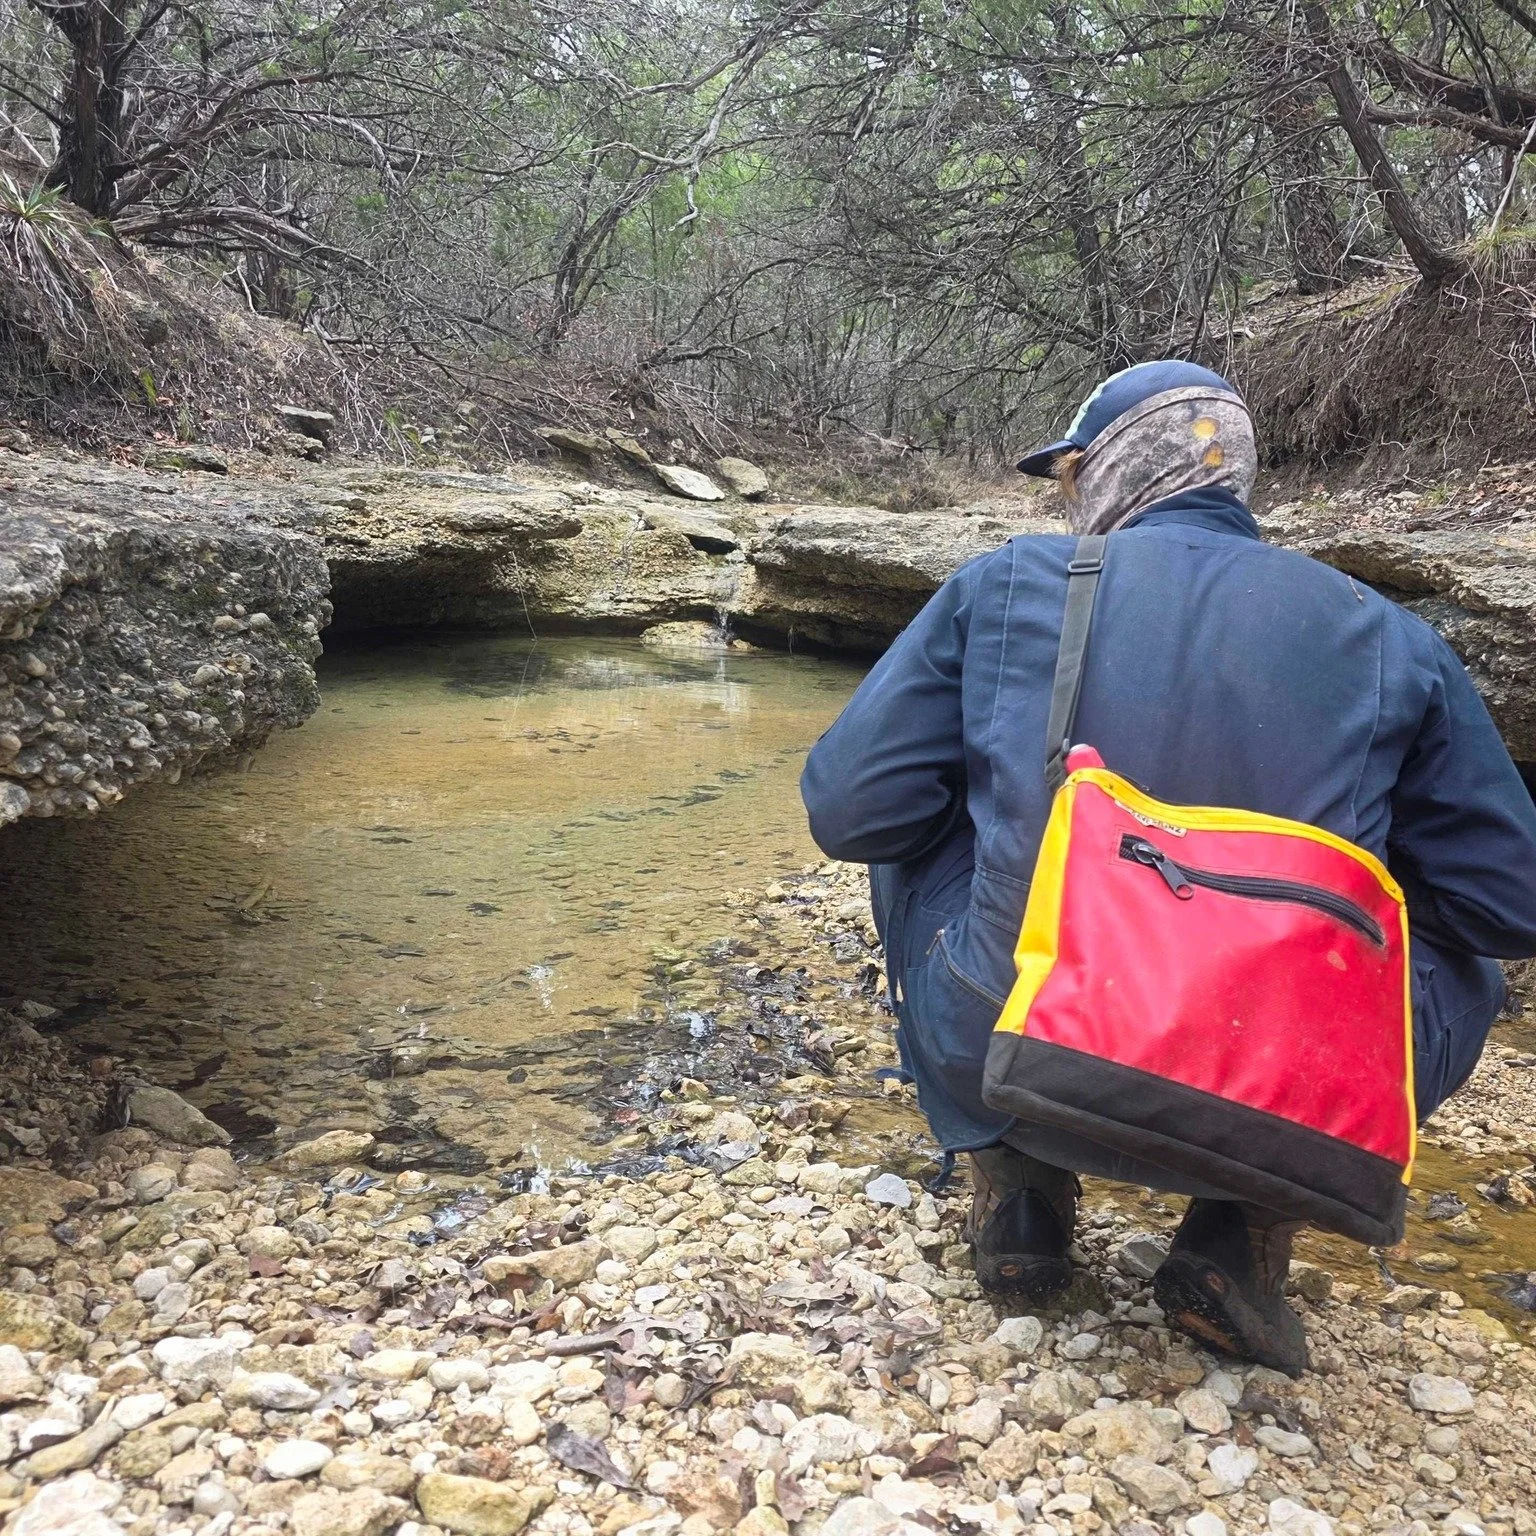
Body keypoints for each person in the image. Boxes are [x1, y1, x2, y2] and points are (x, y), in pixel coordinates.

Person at [799, 359, 1536, 1374]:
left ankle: (1017, 1186)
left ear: (1108, 471)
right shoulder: (1392, 637)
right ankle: (1242, 1231)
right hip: (1275, 1085)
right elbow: (1511, 905)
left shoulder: (1008, 583)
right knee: (1464, 969)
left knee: (913, 840)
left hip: (1019, 1044)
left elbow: (849, 811)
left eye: (1071, 477)